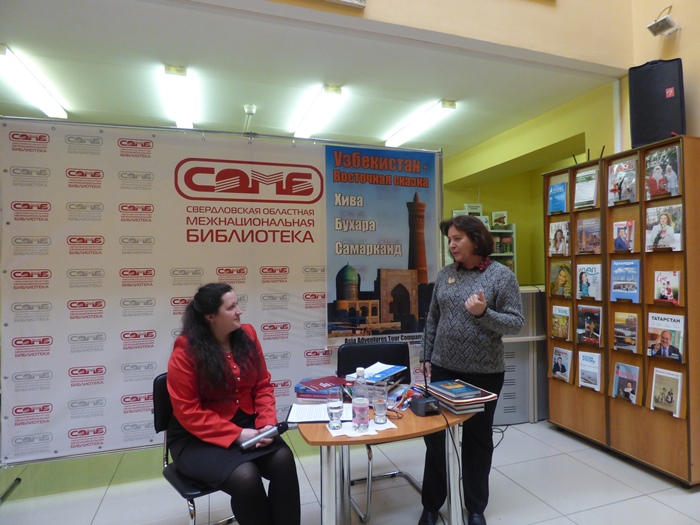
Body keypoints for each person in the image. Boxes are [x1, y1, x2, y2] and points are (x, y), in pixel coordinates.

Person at [418, 215, 524, 525]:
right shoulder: (445, 274)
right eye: (449, 239)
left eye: (457, 239)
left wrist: (484, 313)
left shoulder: (501, 276)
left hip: (483, 373)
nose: (451, 245)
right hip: (443, 370)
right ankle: (431, 505)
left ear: (476, 240)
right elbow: (433, 318)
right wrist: (426, 354)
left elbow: (516, 323)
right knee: (436, 440)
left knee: (478, 440)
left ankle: (475, 507)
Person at [167, 283, 301, 525]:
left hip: (248, 425)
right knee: (245, 476)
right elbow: (188, 412)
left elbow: (262, 385)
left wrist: (267, 424)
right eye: (231, 308)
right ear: (210, 317)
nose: (239, 311)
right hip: (196, 438)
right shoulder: (186, 350)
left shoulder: (248, 335)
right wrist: (237, 434)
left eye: (237, 305)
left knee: (283, 460)